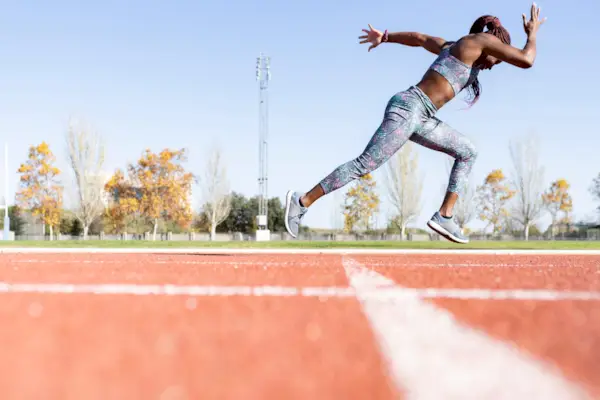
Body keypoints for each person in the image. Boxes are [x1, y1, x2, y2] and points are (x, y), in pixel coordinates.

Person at [284, 4, 546, 244]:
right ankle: (302, 200)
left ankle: (444, 215)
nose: (495, 65)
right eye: (497, 59)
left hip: (422, 116)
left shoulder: (454, 46)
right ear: (495, 45)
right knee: (365, 164)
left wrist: (385, 36)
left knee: (468, 151)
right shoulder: (481, 40)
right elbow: (526, 59)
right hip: (409, 108)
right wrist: (532, 34)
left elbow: (420, 39)